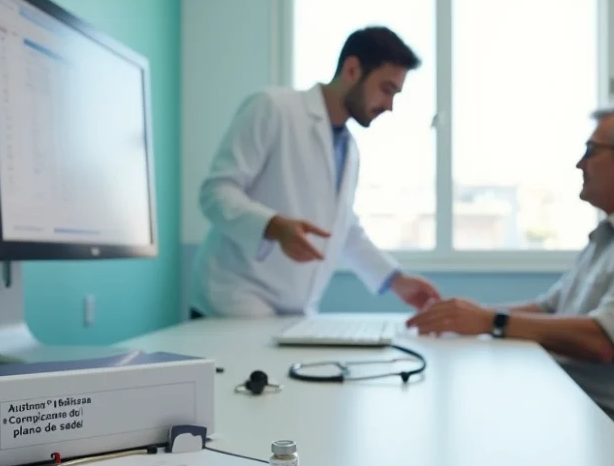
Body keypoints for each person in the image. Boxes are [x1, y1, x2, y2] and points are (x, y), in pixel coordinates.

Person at [406, 105, 614, 447]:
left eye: (592, 151)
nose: (580, 163)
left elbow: (604, 342)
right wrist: (466, 317)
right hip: (564, 400)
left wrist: (491, 321)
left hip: (597, 423)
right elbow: (550, 308)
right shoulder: (609, 238)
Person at [189, 26, 441, 318]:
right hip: (232, 300)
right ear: (351, 69)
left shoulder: (349, 149)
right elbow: (215, 193)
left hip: (295, 310)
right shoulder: (272, 108)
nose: (389, 106)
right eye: (386, 90)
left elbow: (342, 228)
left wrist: (396, 280)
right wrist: (274, 227)